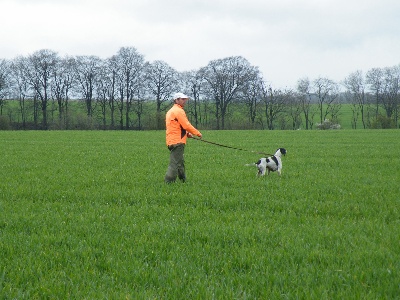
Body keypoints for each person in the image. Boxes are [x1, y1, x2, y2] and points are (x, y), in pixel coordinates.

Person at [164, 92, 202, 183]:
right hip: (178, 141)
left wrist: (187, 134)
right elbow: (186, 125)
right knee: (175, 163)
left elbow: (176, 127)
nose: (184, 101)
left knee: (180, 162)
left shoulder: (170, 111)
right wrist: (197, 133)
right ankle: (168, 182)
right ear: (176, 100)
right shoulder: (179, 111)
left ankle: (183, 179)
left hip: (171, 141)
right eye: (182, 99)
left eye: (185, 99)